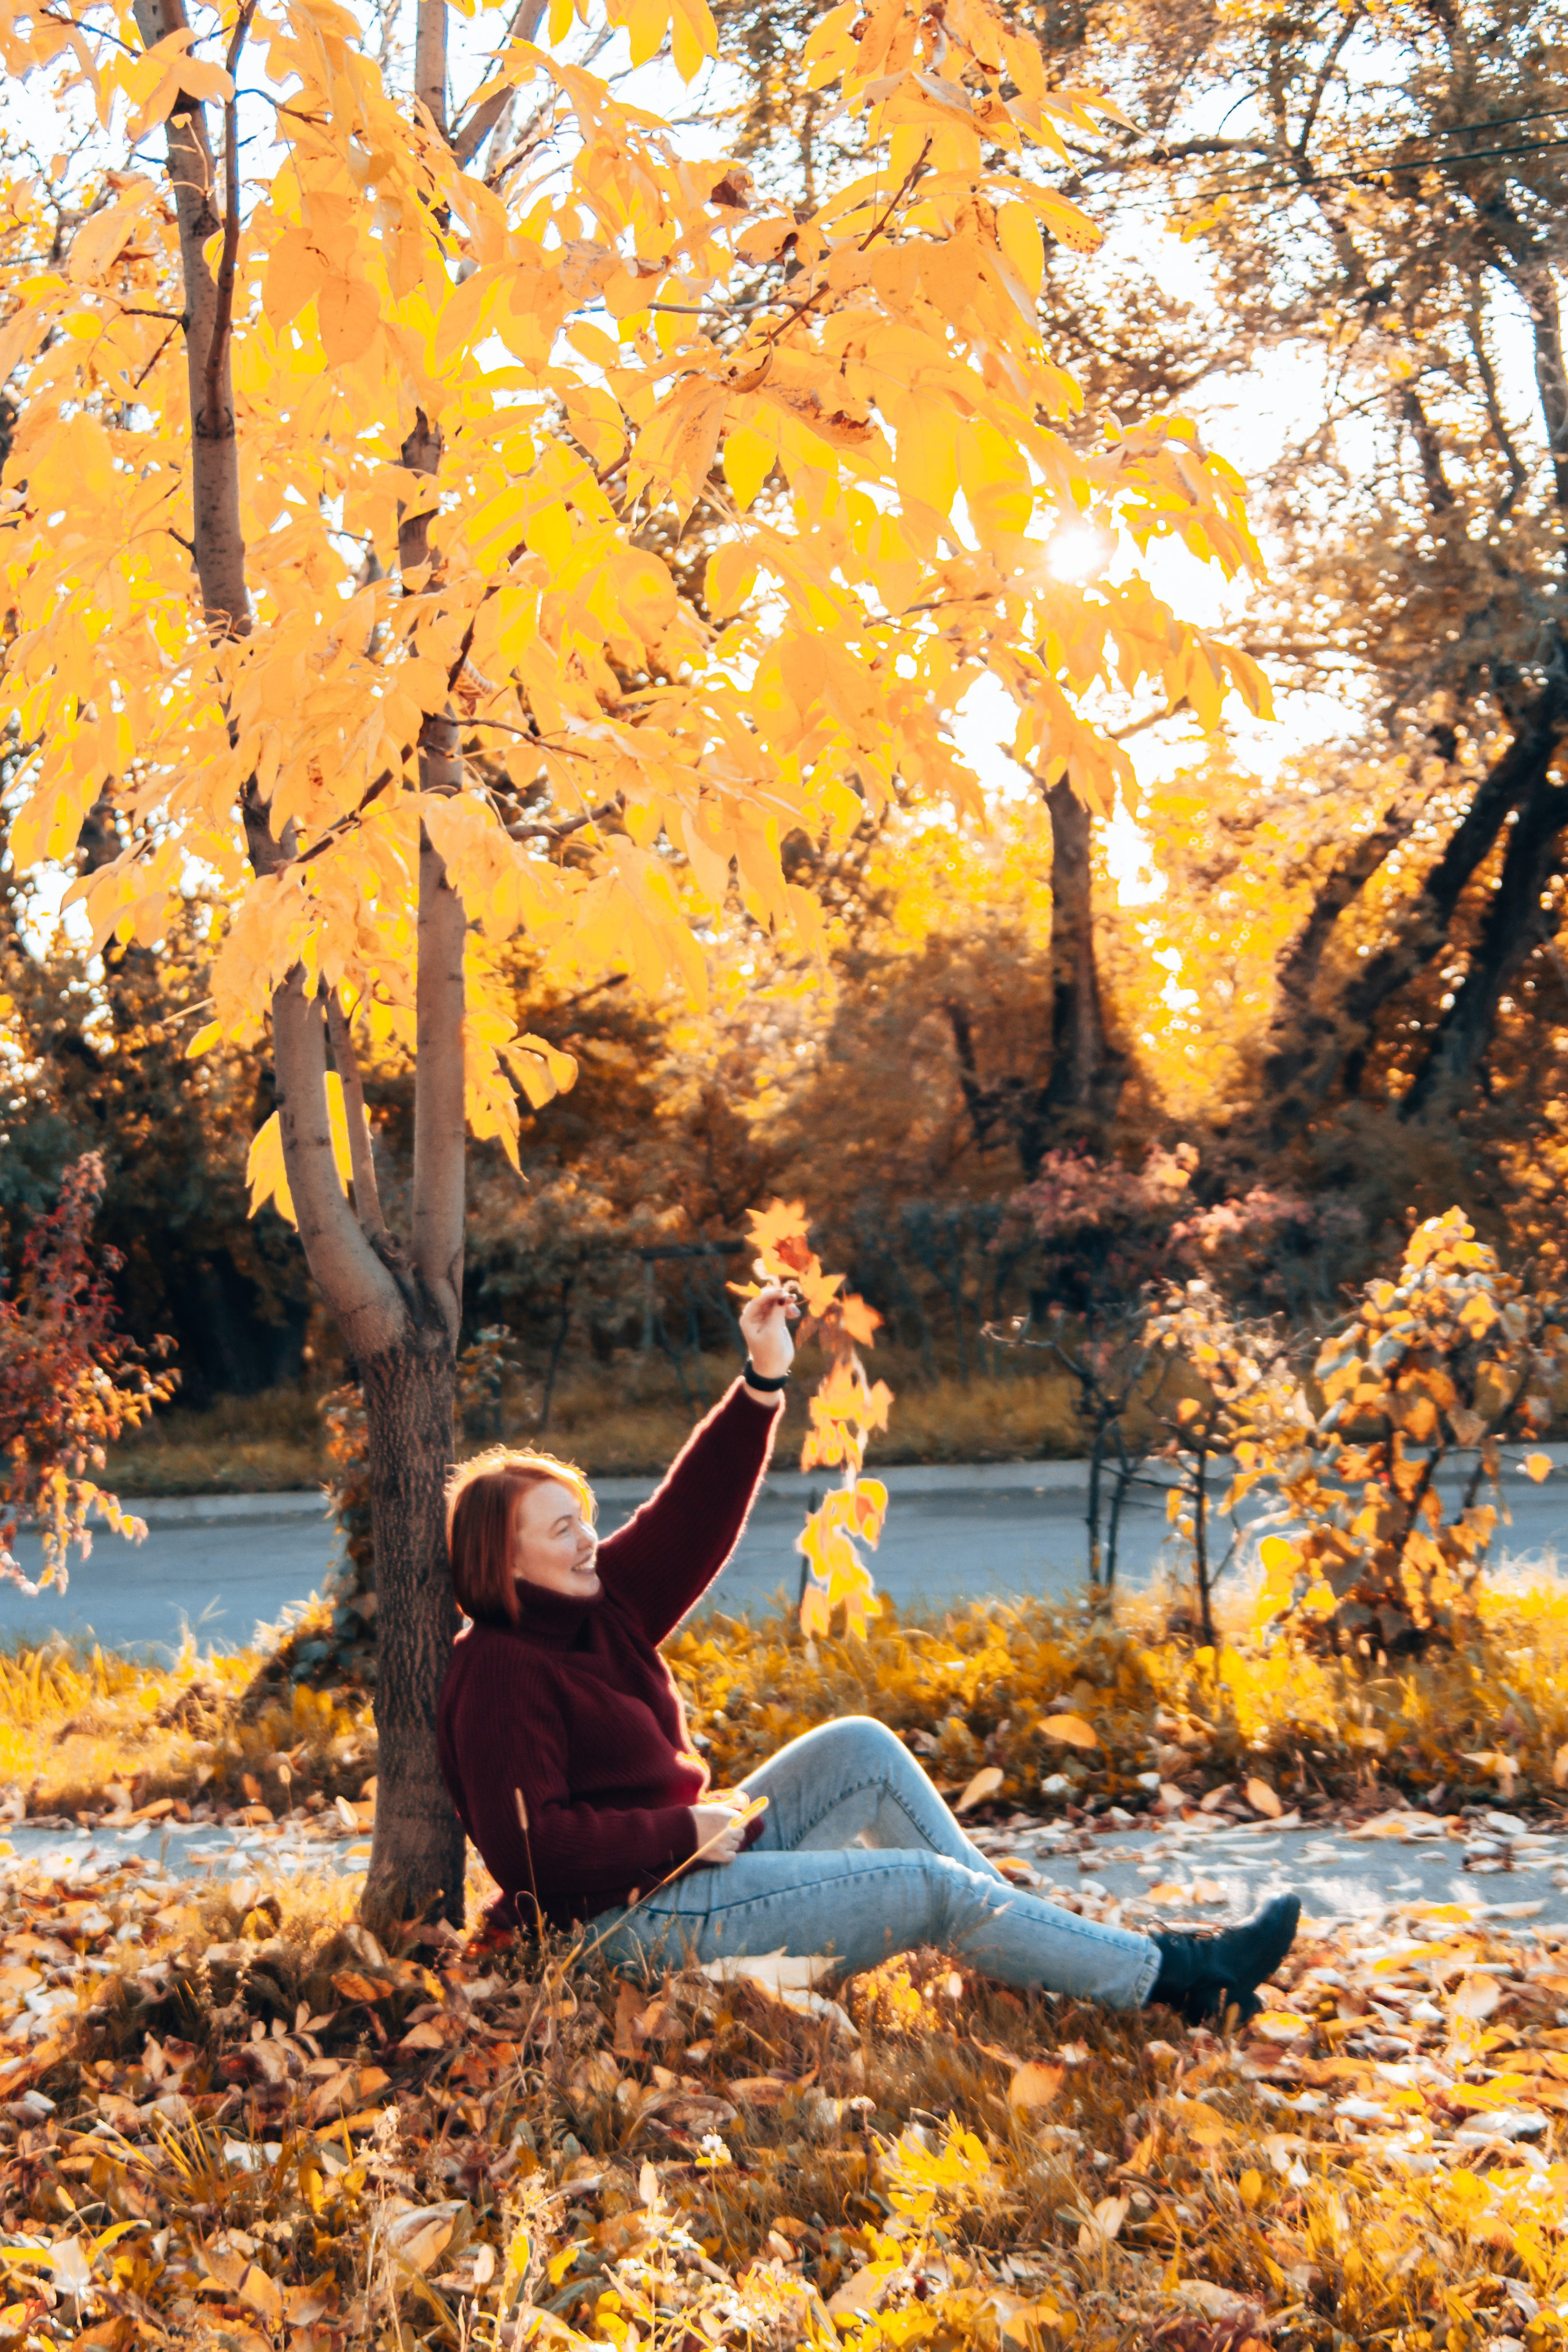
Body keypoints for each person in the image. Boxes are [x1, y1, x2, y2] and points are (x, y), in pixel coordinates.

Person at [435, 1284, 1300, 2021]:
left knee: (861, 1748)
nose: (591, 1539)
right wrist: (682, 1831)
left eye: (585, 1517)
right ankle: (1182, 1979)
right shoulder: (498, 1671)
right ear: (504, 1560)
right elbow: (531, 1852)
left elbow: (688, 1514)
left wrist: (762, 1377)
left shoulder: (598, 1605)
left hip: (684, 1873)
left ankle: (1047, 1963)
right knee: (924, 1889)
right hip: (621, 1929)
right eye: (564, 1529)